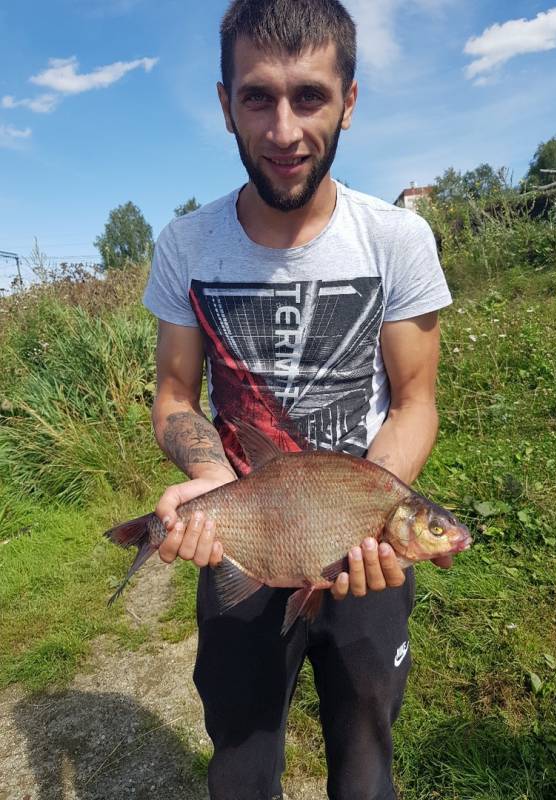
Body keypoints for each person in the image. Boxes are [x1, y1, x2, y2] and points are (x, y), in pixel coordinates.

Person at [143, 1, 453, 798]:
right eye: (257, 97)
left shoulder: (396, 241)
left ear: (350, 99)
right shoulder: (186, 245)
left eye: (309, 96)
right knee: (241, 768)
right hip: (243, 542)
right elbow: (176, 392)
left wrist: (370, 517)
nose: (283, 129)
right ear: (224, 105)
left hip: (366, 561)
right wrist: (213, 480)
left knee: (364, 765)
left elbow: (415, 401)